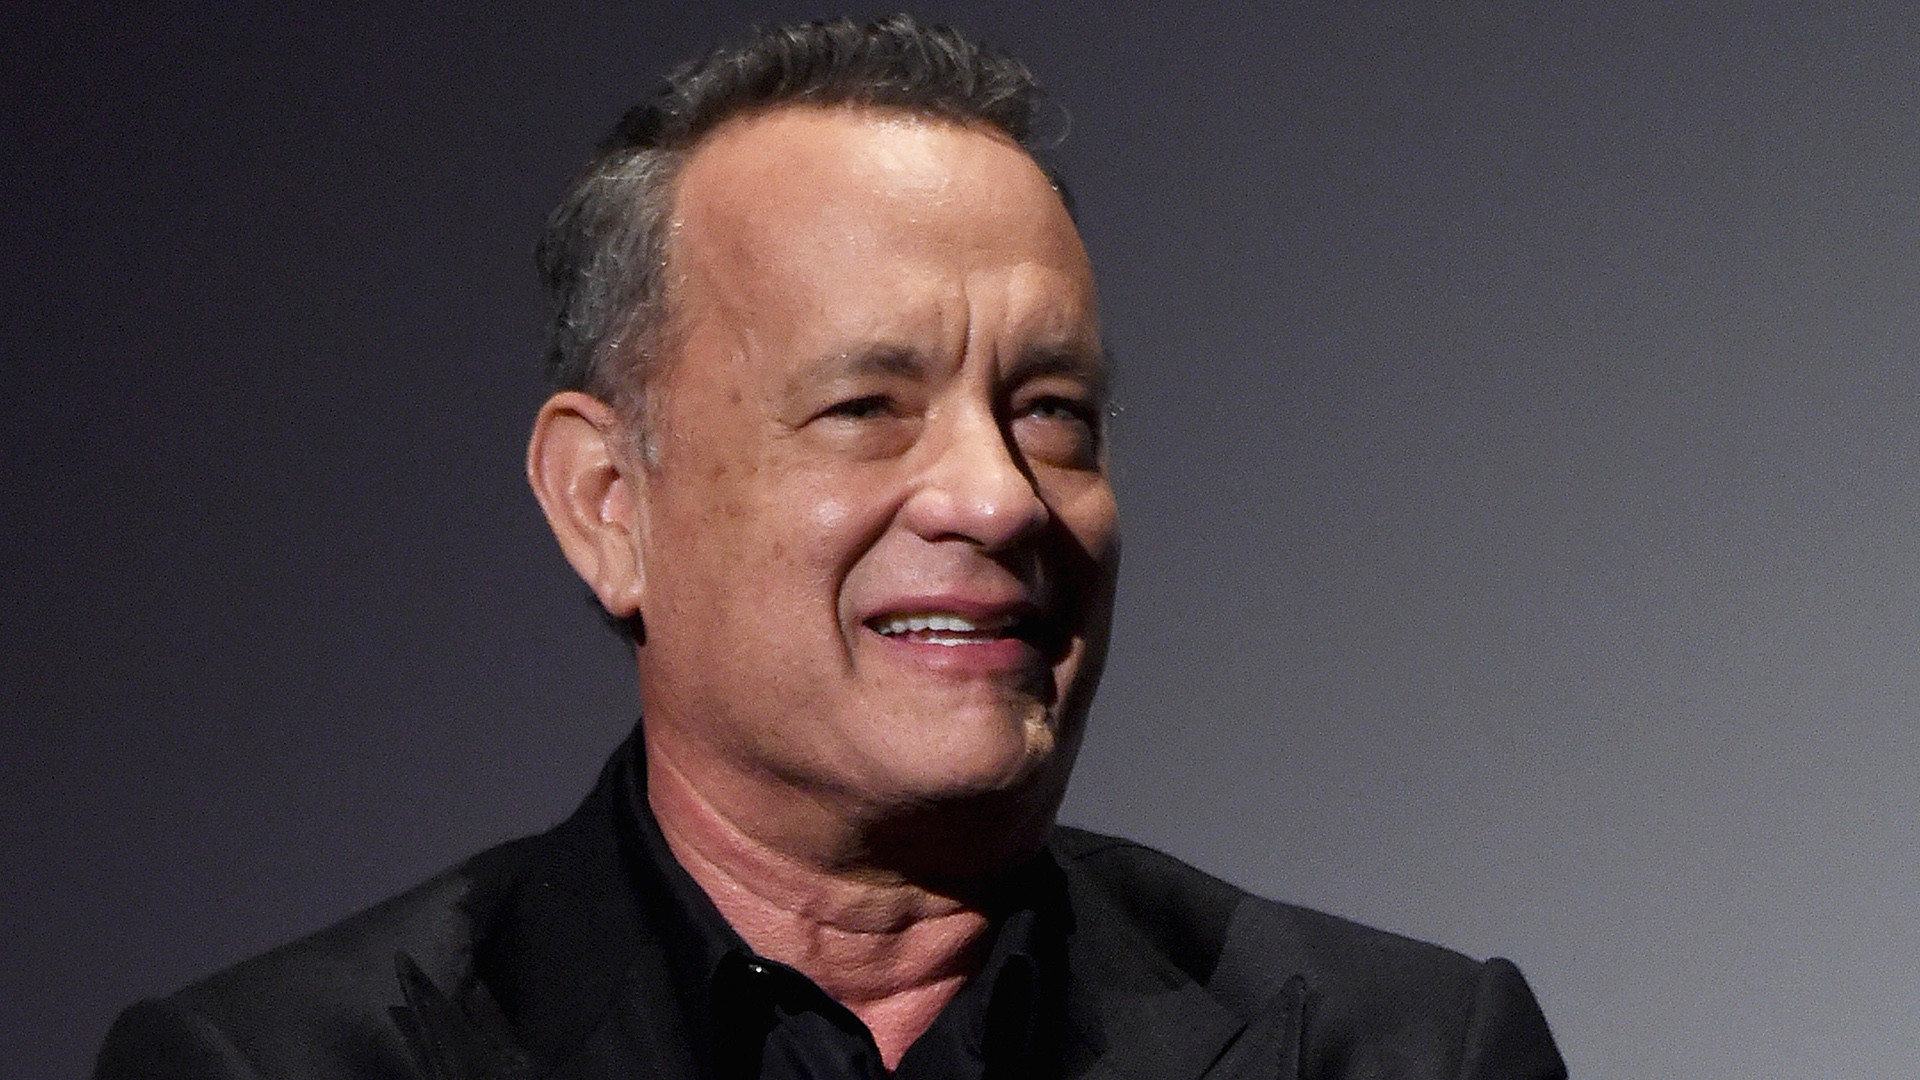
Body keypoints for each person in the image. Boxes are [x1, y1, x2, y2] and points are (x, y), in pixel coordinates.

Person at [95, 15, 1566, 1080]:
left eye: (1052, 413)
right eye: (867, 407)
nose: (997, 499)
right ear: (608, 503)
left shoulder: (1405, 1053)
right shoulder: (284, 1065)